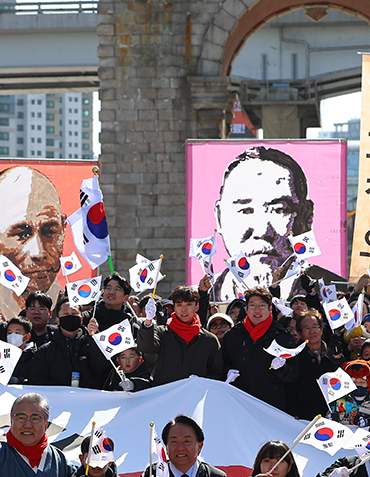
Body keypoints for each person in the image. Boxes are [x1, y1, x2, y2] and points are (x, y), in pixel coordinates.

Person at [212, 147, 315, 301]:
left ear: (307, 217)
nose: (262, 231)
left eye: (279, 210)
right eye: (245, 211)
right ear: (220, 217)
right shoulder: (204, 298)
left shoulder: (330, 294)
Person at [0, 165, 66, 316]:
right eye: (21, 234)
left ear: (63, 229)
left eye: (50, 231)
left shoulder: (75, 307)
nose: (39, 252)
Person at [222, 288, 299, 413]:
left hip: (272, 408)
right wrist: (227, 372)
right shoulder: (233, 336)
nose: (257, 311)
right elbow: (223, 363)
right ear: (246, 309)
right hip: (239, 405)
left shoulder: (282, 336)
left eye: (262, 306)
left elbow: (293, 376)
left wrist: (282, 369)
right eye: (252, 306)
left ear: (270, 309)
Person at [135, 285, 225, 386]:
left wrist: (200, 383)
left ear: (197, 307)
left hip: (196, 397)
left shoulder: (209, 340)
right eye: (179, 305)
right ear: (174, 307)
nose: (183, 309)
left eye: (188, 304)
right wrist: (148, 322)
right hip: (166, 396)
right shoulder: (162, 333)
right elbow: (146, 347)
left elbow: (217, 373)